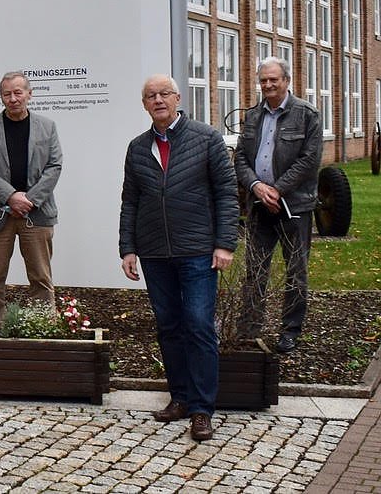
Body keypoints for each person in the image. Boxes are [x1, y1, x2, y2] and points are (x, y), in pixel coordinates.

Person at [120, 75, 238, 442]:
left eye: (164, 94)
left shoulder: (206, 138)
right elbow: (130, 201)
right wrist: (128, 248)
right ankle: (181, 399)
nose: (158, 100)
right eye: (150, 96)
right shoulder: (138, 148)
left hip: (198, 251)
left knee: (199, 325)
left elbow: (226, 193)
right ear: (144, 104)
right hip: (155, 252)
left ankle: (202, 410)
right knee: (169, 326)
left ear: (177, 98)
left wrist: (225, 244)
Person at [233, 57, 323, 354]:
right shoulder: (253, 116)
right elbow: (241, 158)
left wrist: (277, 189)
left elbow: (309, 161)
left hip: (294, 206)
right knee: (254, 271)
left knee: (296, 271)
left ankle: (290, 331)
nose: (268, 85)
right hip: (259, 206)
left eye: (274, 79)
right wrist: (257, 187)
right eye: (264, 80)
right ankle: (248, 330)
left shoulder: (307, 114)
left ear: (287, 80)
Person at [0, 71, 63, 329]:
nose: (12, 98)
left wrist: (28, 200)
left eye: (18, 92)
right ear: (1, 97)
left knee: (40, 275)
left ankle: (41, 326)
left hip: (37, 213)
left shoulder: (47, 127)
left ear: (29, 94)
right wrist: (10, 197)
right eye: (7, 94)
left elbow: (54, 166)